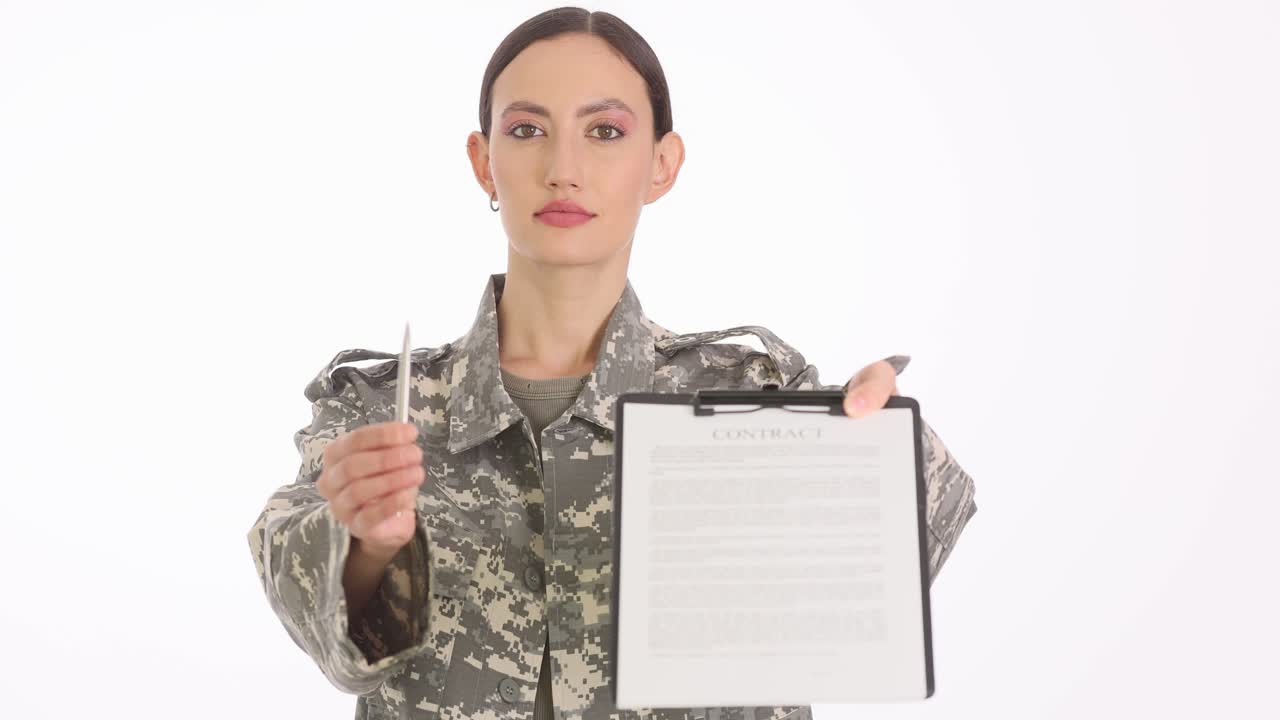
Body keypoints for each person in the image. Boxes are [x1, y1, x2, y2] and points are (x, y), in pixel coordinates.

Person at [246, 7, 978, 720]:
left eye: (604, 132)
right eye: (528, 130)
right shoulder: (383, 411)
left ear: (661, 165)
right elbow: (321, 622)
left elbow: (876, 588)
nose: (563, 169)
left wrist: (884, 443)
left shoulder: (748, 402)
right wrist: (369, 545)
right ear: (484, 162)